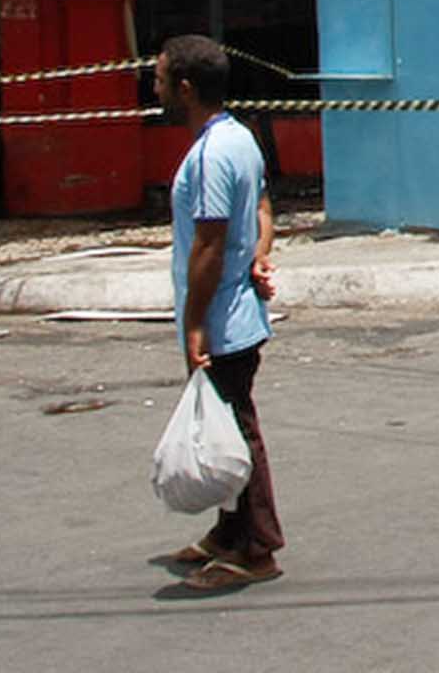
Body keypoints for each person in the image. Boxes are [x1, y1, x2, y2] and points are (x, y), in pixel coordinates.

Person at [157, 33, 283, 592]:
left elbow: (208, 245)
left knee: (236, 432)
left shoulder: (211, 155)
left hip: (224, 321)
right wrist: (259, 254)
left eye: (160, 79)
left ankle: (256, 548)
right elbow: (262, 210)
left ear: (185, 89)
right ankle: (228, 533)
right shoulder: (241, 139)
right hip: (237, 311)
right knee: (223, 430)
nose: (155, 87)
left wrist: (194, 323)